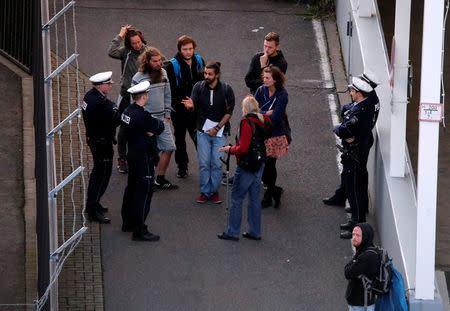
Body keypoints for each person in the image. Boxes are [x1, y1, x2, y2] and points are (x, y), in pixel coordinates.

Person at [323, 71, 380, 209]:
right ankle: (342, 196)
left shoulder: (367, 101)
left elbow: (357, 121)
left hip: (360, 142)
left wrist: (346, 130)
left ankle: (359, 206)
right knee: (351, 173)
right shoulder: (371, 98)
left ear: (367, 83)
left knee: (357, 175)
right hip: (362, 139)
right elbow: (347, 109)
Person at [217, 96, 271, 241]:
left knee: (237, 197)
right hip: (260, 162)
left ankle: (233, 231)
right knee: (254, 198)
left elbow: (243, 147)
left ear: (245, 108)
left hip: (247, 164)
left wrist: (230, 149)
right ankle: (255, 231)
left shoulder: (246, 121)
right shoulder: (262, 120)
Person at [183, 62, 235, 204]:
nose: (206, 76)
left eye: (210, 74)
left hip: (220, 132)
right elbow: (192, 106)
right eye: (205, 73)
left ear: (217, 75)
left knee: (217, 163)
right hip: (202, 132)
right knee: (205, 163)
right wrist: (190, 106)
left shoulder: (226, 89)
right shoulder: (198, 87)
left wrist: (217, 128)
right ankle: (206, 192)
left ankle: (215, 192)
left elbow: (229, 112)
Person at [120, 81, 165, 241]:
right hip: (144, 157)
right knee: (144, 194)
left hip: (132, 154)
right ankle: (139, 230)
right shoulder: (141, 115)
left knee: (131, 189)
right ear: (144, 96)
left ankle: (127, 222)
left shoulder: (127, 111)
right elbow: (159, 127)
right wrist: (152, 127)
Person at [333, 77, 374, 239]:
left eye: (352, 91)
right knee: (352, 188)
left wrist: (339, 128)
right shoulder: (362, 106)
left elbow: (344, 129)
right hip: (354, 151)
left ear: (359, 93)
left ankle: (358, 223)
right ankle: (354, 221)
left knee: (354, 190)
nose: (350, 93)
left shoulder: (360, 110)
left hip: (355, 154)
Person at [131, 47, 178, 190]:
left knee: (169, 147)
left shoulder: (163, 73)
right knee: (148, 153)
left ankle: (160, 178)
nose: (159, 64)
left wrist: (167, 116)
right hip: (147, 120)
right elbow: (134, 103)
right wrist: (143, 125)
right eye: (155, 61)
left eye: (160, 61)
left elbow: (168, 95)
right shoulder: (137, 78)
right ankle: (147, 180)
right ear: (147, 61)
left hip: (162, 119)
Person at [82, 71, 121, 224]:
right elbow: (115, 119)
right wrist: (114, 108)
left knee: (98, 174)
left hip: (96, 140)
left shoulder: (90, 96)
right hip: (102, 143)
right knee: (101, 176)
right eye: (108, 83)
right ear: (101, 85)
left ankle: (94, 202)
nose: (111, 85)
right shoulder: (99, 102)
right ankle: (92, 209)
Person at [108, 25, 147, 174]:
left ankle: (140, 156)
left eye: (139, 42)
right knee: (124, 126)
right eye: (134, 43)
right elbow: (111, 51)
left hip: (143, 94)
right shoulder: (126, 52)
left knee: (142, 127)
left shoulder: (148, 52)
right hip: (126, 94)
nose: (137, 45)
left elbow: (161, 62)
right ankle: (122, 158)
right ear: (129, 44)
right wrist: (120, 34)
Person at [165, 35, 205, 178]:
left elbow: (203, 83)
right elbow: (170, 90)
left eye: (190, 49)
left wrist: (196, 102)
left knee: (199, 139)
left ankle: (206, 165)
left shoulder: (199, 61)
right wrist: (184, 103)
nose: (188, 52)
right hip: (180, 110)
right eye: (185, 49)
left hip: (195, 108)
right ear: (180, 49)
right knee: (180, 139)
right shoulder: (171, 66)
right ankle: (182, 167)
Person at [254, 65, 289, 208]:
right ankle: (275, 190)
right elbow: (252, 110)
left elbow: (275, 117)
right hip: (261, 133)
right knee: (262, 163)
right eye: (264, 77)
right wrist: (264, 113)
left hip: (274, 135)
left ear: (275, 80)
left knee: (270, 164)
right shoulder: (260, 90)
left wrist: (260, 114)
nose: (265, 80)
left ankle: (269, 193)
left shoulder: (282, 94)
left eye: (268, 78)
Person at [344, 223, 380, 310]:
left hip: (362, 306)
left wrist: (353, 263)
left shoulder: (367, 256)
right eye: (353, 234)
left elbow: (347, 273)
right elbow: (349, 269)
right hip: (360, 303)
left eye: (357, 235)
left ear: (365, 237)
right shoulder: (363, 250)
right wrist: (354, 263)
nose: (354, 238)